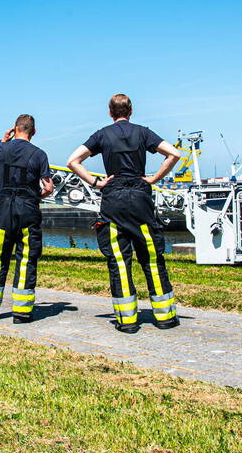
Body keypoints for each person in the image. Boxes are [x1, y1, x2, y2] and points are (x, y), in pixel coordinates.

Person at [67, 94, 182, 334]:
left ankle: (127, 321)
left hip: (114, 198)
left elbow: (73, 161)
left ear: (110, 113)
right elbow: (174, 154)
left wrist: (96, 182)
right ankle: (166, 318)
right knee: (151, 257)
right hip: (140, 198)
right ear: (131, 111)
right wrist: (153, 178)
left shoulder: (101, 135)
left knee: (119, 260)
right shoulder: (143, 133)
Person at [0, 114, 54, 323]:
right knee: (27, 258)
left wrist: (3, 140)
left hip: (4, 209)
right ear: (34, 131)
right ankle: (21, 313)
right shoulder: (39, 154)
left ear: (15, 129)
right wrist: (35, 197)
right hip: (27, 210)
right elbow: (48, 187)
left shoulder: (3, 148)